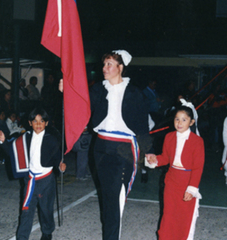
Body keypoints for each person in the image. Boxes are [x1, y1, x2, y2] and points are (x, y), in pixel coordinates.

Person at [59, 50, 152, 239]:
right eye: (104, 64)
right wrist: (66, 90)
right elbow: (80, 101)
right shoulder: (98, 90)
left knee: (116, 199)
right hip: (100, 147)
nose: (104, 68)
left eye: (109, 64)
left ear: (120, 67)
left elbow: (143, 126)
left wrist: (149, 152)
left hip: (124, 149)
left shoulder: (134, 93)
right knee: (109, 197)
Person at [0, 107, 66, 240]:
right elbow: (13, 152)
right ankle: (22, 237)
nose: (38, 124)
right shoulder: (25, 137)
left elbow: (58, 157)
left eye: (42, 121)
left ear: (46, 123)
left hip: (46, 180)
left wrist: (61, 165)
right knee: (26, 211)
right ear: (30, 123)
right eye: (35, 121)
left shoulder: (51, 139)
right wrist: (3, 141)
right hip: (30, 181)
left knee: (46, 210)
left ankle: (47, 232)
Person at [145, 102, 205, 240]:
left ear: (192, 122)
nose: (179, 123)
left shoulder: (197, 141)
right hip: (171, 182)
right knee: (168, 215)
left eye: (184, 120)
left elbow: (198, 168)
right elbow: (165, 158)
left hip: (187, 182)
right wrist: (153, 160)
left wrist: (191, 189)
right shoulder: (169, 137)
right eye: (177, 119)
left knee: (184, 217)